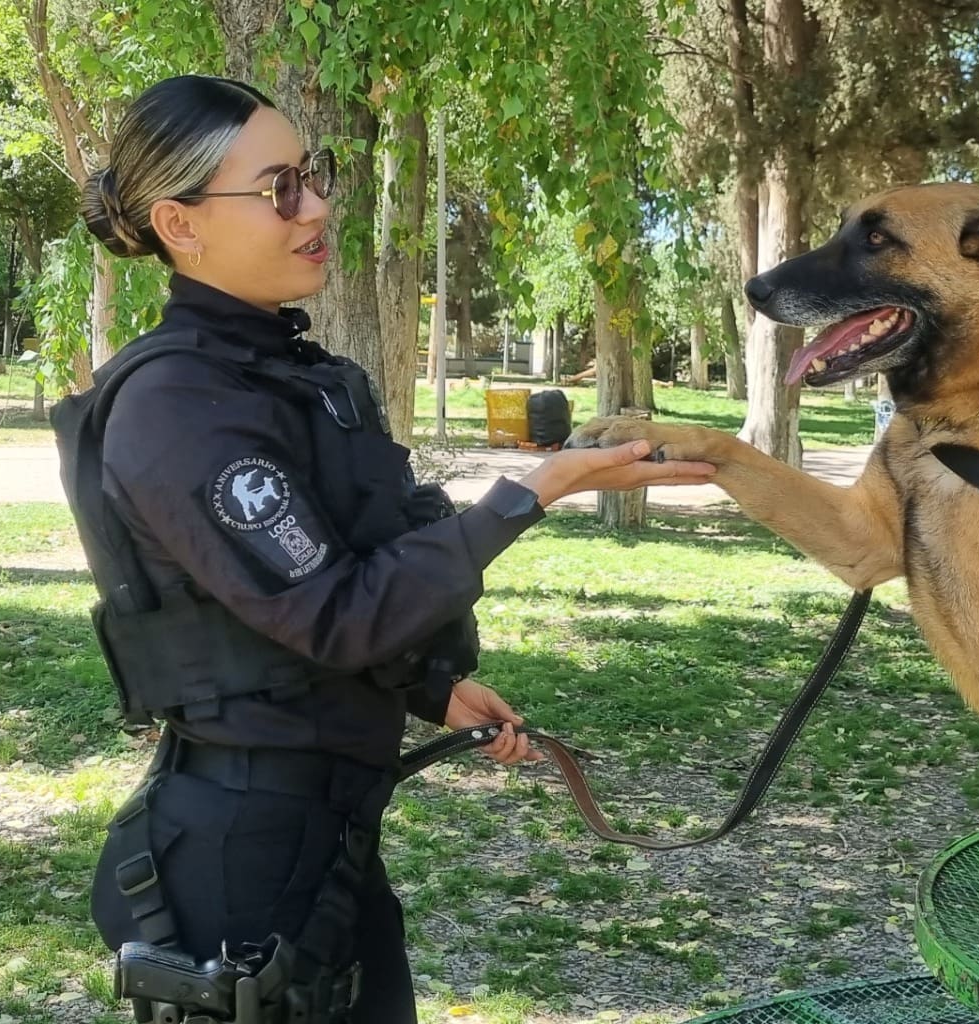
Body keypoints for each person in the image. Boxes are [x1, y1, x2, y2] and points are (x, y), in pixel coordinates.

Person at [65, 75, 715, 1024]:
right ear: (181, 223)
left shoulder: (289, 377)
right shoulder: (178, 406)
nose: (318, 205)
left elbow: (316, 586)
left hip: (322, 835)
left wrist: (425, 689)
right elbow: (333, 614)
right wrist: (532, 494)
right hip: (241, 857)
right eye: (279, 187)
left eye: (313, 175)